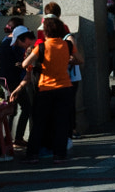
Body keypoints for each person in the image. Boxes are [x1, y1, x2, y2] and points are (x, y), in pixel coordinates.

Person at [26, 13, 78, 162]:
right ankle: (59, 155)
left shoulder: (41, 46)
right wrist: (66, 61)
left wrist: (37, 66)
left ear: (46, 31)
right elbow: (79, 60)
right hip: (65, 88)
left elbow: (25, 63)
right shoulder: (67, 45)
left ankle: (32, 155)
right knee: (62, 123)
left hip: (45, 89)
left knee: (40, 123)